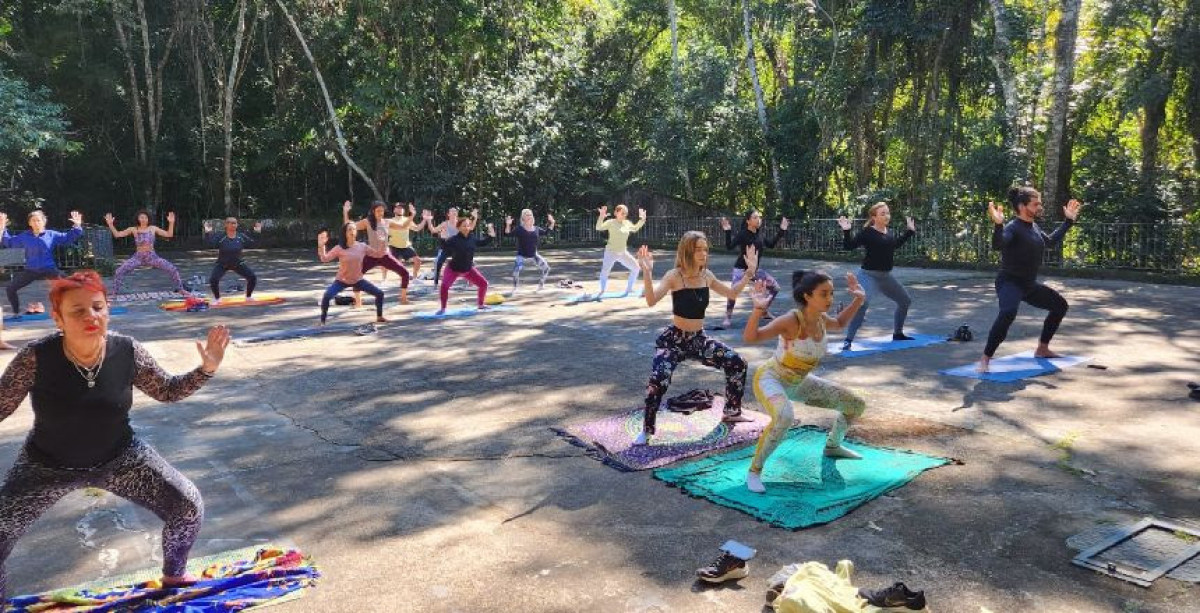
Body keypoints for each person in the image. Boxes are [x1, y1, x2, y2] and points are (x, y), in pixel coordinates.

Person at [0, 270, 229, 600]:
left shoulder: (127, 350)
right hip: (45, 467)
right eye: (77, 311)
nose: (91, 316)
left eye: (97, 307)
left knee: (187, 506)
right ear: (58, 318)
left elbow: (167, 391)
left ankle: (174, 577)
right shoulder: (36, 358)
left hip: (120, 458)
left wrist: (206, 369)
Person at [741, 270, 868, 493]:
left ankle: (832, 446)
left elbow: (838, 323)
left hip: (799, 382)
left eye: (831, 294)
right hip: (772, 379)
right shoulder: (791, 321)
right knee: (784, 416)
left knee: (855, 404)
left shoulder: (820, 319)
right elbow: (751, 337)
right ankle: (754, 471)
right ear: (808, 296)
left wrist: (858, 299)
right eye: (824, 294)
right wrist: (758, 310)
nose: (830, 299)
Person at [632, 233, 759, 446]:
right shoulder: (674, 276)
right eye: (698, 249)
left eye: (705, 249)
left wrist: (749, 273)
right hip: (673, 341)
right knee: (658, 381)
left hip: (698, 339)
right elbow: (651, 300)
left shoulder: (706, 275)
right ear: (687, 252)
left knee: (737, 363)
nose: (703, 254)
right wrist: (646, 271)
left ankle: (731, 411)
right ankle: (647, 430)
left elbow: (732, 293)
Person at [979, 187, 1081, 372]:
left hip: (1028, 284)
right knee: (1008, 313)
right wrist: (998, 225)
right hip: (1009, 282)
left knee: (1060, 306)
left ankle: (1042, 348)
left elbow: (1049, 242)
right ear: (1022, 206)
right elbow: (998, 245)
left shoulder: (1033, 227)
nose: (1040, 206)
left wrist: (1068, 221)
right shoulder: (1012, 228)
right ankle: (985, 359)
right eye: (1036, 204)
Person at [837, 202, 916, 350]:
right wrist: (846, 231)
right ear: (874, 217)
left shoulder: (888, 232)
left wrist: (909, 232)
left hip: (886, 277)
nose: (887, 216)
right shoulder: (867, 232)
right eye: (882, 214)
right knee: (862, 304)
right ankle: (848, 340)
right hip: (868, 276)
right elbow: (848, 246)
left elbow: (894, 245)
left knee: (905, 301)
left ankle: (898, 333)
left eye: (887, 213)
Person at [0, 209, 84, 314]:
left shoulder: (51, 235)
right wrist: (2, 227)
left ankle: (75, 310)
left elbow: (67, 238)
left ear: (44, 222)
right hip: (31, 270)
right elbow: (9, 242)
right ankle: (16, 313)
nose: (36, 223)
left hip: (48, 268)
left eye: (39, 220)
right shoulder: (24, 236)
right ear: (29, 223)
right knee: (10, 289)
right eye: (33, 220)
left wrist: (77, 226)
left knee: (71, 286)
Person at [719, 210, 789, 328]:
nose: (758, 219)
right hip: (741, 270)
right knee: (733, 292)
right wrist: (727, 231)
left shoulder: (759, 234)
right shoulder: (743, 234)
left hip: (755, 270)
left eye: (759, 217)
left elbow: (771, 244)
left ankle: (763, 311)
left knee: (775, 287)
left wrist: (782, 230)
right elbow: (729, 247)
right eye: (755, 217)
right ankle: (728, 317)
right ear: (748, 221)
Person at [341, 200, 413, 305]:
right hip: (371, 256)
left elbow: (402, 226)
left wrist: (412, 215)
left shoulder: (387, 222)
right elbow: (349, 226)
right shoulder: (367, 222)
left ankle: (403, 298)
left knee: (405, 273)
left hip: (385, 256)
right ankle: (358, 301)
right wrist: (345, 212)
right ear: (373, 211)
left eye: (382, 211)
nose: (381, 213)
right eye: (378, 211)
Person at [317, 223, 388, 325]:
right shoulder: (339, 248)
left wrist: (382, 242)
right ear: (345, 233)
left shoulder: (362, 246)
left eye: (354, 229)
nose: (352, 231)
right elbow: (324, 259)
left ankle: (379, 317)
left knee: (380, 294)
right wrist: (321, 246)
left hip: (358, 280)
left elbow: (378, 254)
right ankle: (322, 321)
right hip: (342, 280)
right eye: (349, 229)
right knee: (327, 296)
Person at [106, 210, 183, 294]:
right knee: (119, 271)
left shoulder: (153, 228)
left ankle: (181, 289)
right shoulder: (133, 229)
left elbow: (169, 234)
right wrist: (110, 224)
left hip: (152, 257)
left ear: (148, 219)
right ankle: (115, 292)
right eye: (141, 217)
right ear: (138, 218)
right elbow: (117, 234)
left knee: (172, 269)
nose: (143, 219)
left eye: (145, 217)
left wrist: (171, 223)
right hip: (138, 257)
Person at [437, 217, 496, 315]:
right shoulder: (454, 240)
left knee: (484, 284)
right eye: (464, 226)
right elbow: (444, 247)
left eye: (468, 225)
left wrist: (491, 235)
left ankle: (480, 305)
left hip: (468, 269)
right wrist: (442, 238)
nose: (466, 227)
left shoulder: (472, 238)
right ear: (458, 227)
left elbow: (483, 243)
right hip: (453, 269)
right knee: (444, 287)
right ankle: (443, 308)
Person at [203, 217, 262, 301]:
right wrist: (208, 232)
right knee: (213, 279)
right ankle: (217, 299)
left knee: (252, 277)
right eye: (230, 223)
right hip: (222, 263)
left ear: (237, 225)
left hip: (237, 263)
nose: (233, 225)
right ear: (226, 225)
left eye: (235, 223)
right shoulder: (221, 236)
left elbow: (254, 243)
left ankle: (248, 297)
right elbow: (210, 243)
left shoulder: (241, 236)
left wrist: (257, 231)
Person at [595, 204, 646, 299]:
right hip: (611, 252)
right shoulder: (611, 222)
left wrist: (642, 220)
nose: (624, 215)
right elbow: (598, 227)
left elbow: (635, 228)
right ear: (616, 213)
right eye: (622, 213)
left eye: (625, 213)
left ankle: (629, 289)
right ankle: (602, 290)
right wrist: (601, 216)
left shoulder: (627, 223)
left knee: (636, 268)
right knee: (605, 271)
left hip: (622, 252)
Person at [504, 209, 555, 292]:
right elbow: (507, 234)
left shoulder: (536, 229)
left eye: (530, 214)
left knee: (546, 269)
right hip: (521, 254)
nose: (529, 216)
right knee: (516, 271)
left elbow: (547, 232)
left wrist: (552, 222)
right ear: (523, 218)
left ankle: (541, 285)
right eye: (526, 215)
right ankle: (515, 288)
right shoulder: (519, 229)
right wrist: (508, 224)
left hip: (533, 254)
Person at [384, 202, 430, 281]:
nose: (400, 209)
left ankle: (415, 278)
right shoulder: (390, 221)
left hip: (406, 246)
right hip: (393, 246)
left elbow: (417, 228)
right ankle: (384, 280)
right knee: (385, 262)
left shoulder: (407, 220)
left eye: (402, 208)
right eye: (398, 208)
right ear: (394, 210)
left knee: (418, 261)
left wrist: (425, 219)